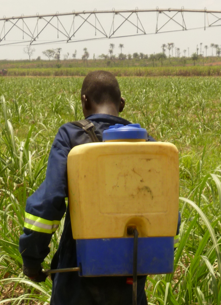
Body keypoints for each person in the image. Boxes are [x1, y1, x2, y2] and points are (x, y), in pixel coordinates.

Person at [19, 70, 155, 305]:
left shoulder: (71, 136)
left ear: (84, 101)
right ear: (121, 104)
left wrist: (32, 260)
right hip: (131, 270)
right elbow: (165, 209)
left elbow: (50, 200)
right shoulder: (148, 144)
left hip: (78, 269)